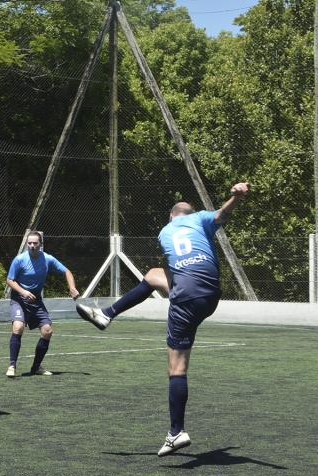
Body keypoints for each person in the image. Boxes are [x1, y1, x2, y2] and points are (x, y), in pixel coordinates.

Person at [76, 182, 250, 457]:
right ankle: (106, 314)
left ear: (171, 216)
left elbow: (178, 268)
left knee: (177, 368)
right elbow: (220, 216)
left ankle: (176, 432)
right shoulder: (201, 218)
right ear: (191, 213)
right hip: (211, 295)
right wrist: (235, 198)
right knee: (153, 275)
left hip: (186, 298)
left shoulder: (165, 232)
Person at [5, 231, 80, 377]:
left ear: (41, 244)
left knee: (47, 331)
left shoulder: (48, 259)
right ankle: (12, 366)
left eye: (35, 243)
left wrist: (72, 288)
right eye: (29, 243)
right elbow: (10, 280)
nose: (32, 246)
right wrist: (24, 292)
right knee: (18, 327)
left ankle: (36, 367)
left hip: (36, 301)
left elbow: (67, 271)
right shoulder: (19, 259)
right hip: (19, 299)